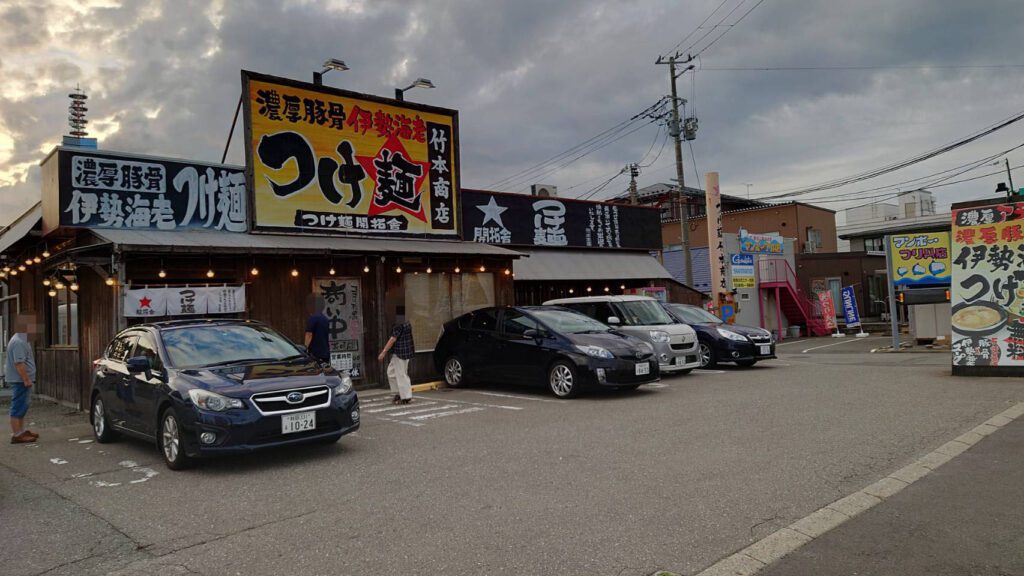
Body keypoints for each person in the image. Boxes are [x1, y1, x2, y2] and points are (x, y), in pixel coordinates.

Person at [6, 314, 39, 444]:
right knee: (18, 405)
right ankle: (17, 434)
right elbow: (18, 363)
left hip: (21, 379)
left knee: (22, 406)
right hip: (20, 380)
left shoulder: (22, 339)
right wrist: (26, 379)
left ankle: (21, 431)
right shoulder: (18, 342)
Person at [378, 306, 415, 405]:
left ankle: (406, 396)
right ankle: (399, 393)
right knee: (391, 372)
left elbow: (392, 339)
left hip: (400, 352)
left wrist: (383, 352)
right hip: (404, 352)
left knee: (401, 374)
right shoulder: (407, 322)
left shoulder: (399, 324)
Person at [304, 295, 331, 363]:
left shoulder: (313, 318)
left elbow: (309, 334)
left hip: (315, 354)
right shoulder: (325, 319)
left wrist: (304, 349)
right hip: (325, 353)